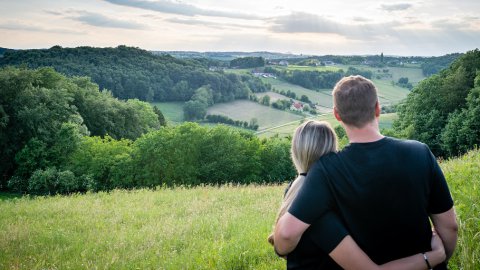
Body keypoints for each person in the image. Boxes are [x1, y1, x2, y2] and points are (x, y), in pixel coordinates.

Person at [274, 76, 458, 269]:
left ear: (337, 114)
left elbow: (286, 235)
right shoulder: (420, 152)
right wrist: (439, 258)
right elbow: (449, 226)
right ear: (377, 108)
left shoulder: (326, 170)